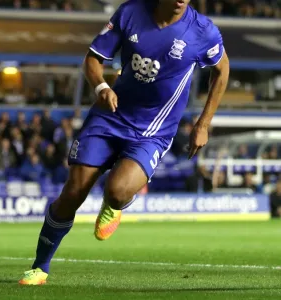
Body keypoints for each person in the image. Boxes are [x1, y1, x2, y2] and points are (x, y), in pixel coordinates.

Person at [19, 0, 229, 285]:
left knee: (117, 191)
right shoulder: (131, 12)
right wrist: (102, 87)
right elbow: (93, 59)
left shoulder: (203, 31)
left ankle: (114, 204)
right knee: (73, 193)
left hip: (154, 131)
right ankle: (40, 267)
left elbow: (222, 70)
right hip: (110, 117)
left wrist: (203, 123)